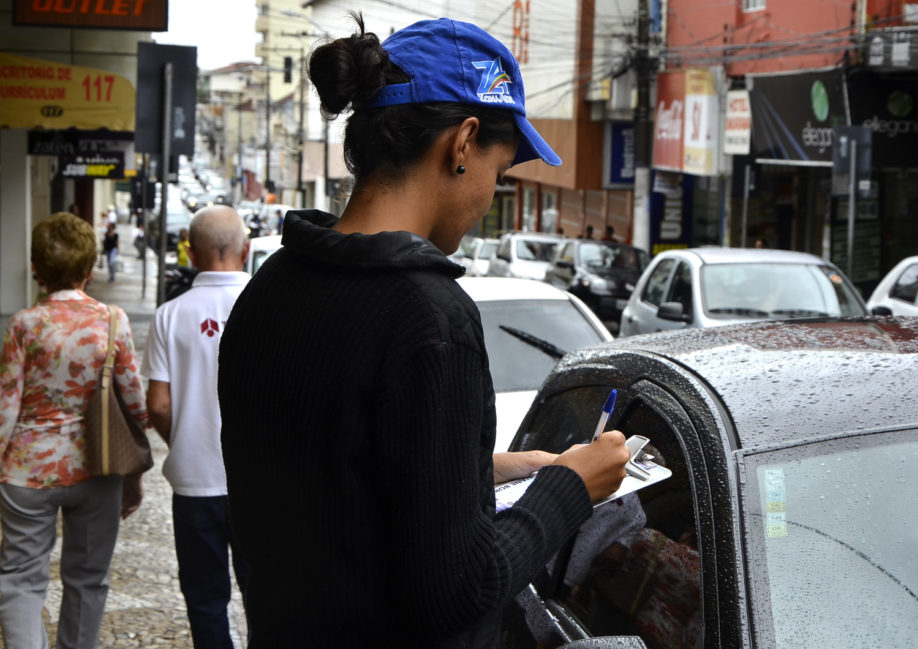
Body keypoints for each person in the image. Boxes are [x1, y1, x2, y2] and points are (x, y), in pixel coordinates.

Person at [217, 16, 630, 648]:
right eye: (500, 166)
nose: (493, 192)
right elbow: (456, 593)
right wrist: (568, 489)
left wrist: (480, 469)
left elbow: (329, 475)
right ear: (463, 143)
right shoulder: (430, 319)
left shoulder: (273, 287)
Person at [0, 212, 146, 649]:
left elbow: (5, 408)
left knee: (21, 581)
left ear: (36, 270)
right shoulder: (112, 322)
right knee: (87, 580)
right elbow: (135, 405)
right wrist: (134, 476)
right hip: (97, 467)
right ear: (90, 268)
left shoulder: (24, 325)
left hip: (28, 472)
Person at [145, 205, 250, 649]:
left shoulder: (170, 315)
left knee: (205, 599)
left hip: (195, 484)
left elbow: (159, 404)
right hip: (261, 483)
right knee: (267, 595)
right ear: (245, 250)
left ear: (189, 252)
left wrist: (185, 439)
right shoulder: (272, 302)